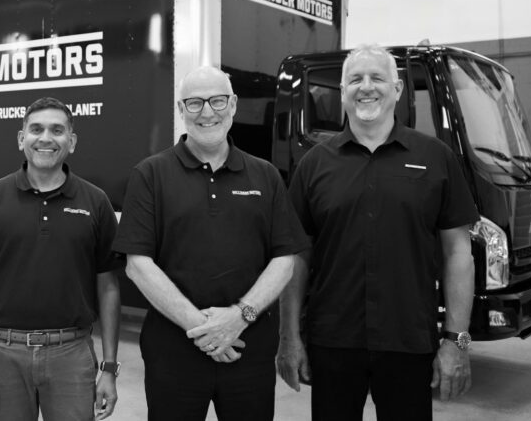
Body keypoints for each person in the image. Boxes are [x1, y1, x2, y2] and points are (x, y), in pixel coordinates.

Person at [278, 44, 479, 421]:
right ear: (342, 91)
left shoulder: (437, 158)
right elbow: (296, 256)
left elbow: (458, 255)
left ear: (398, 89)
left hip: (409, 341)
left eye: (377, 78)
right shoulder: (313, 165)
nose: (366, 87)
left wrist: (458, 342)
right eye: (355, 79)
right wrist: (288, 338)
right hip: (332, 342)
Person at [113, 66, 309, 421]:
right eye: (195, 103)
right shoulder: (151, 174)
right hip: (173, 351)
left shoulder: (264, 175)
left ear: (233, 105)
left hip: (248, 348)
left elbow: (285, 258)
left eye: (217, 101)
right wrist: (204, 330)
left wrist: (239, 317)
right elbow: (137, 264)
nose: (207, 112)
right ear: (181, 109)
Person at [0, 96, 122, 421]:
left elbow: (109, 289)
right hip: (1, 354)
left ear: (71, 141)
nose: (45, 138)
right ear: (21, 139)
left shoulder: (96, 202)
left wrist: (109, 369)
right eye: (36, 129)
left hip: (72, 354)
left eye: (57, 130)